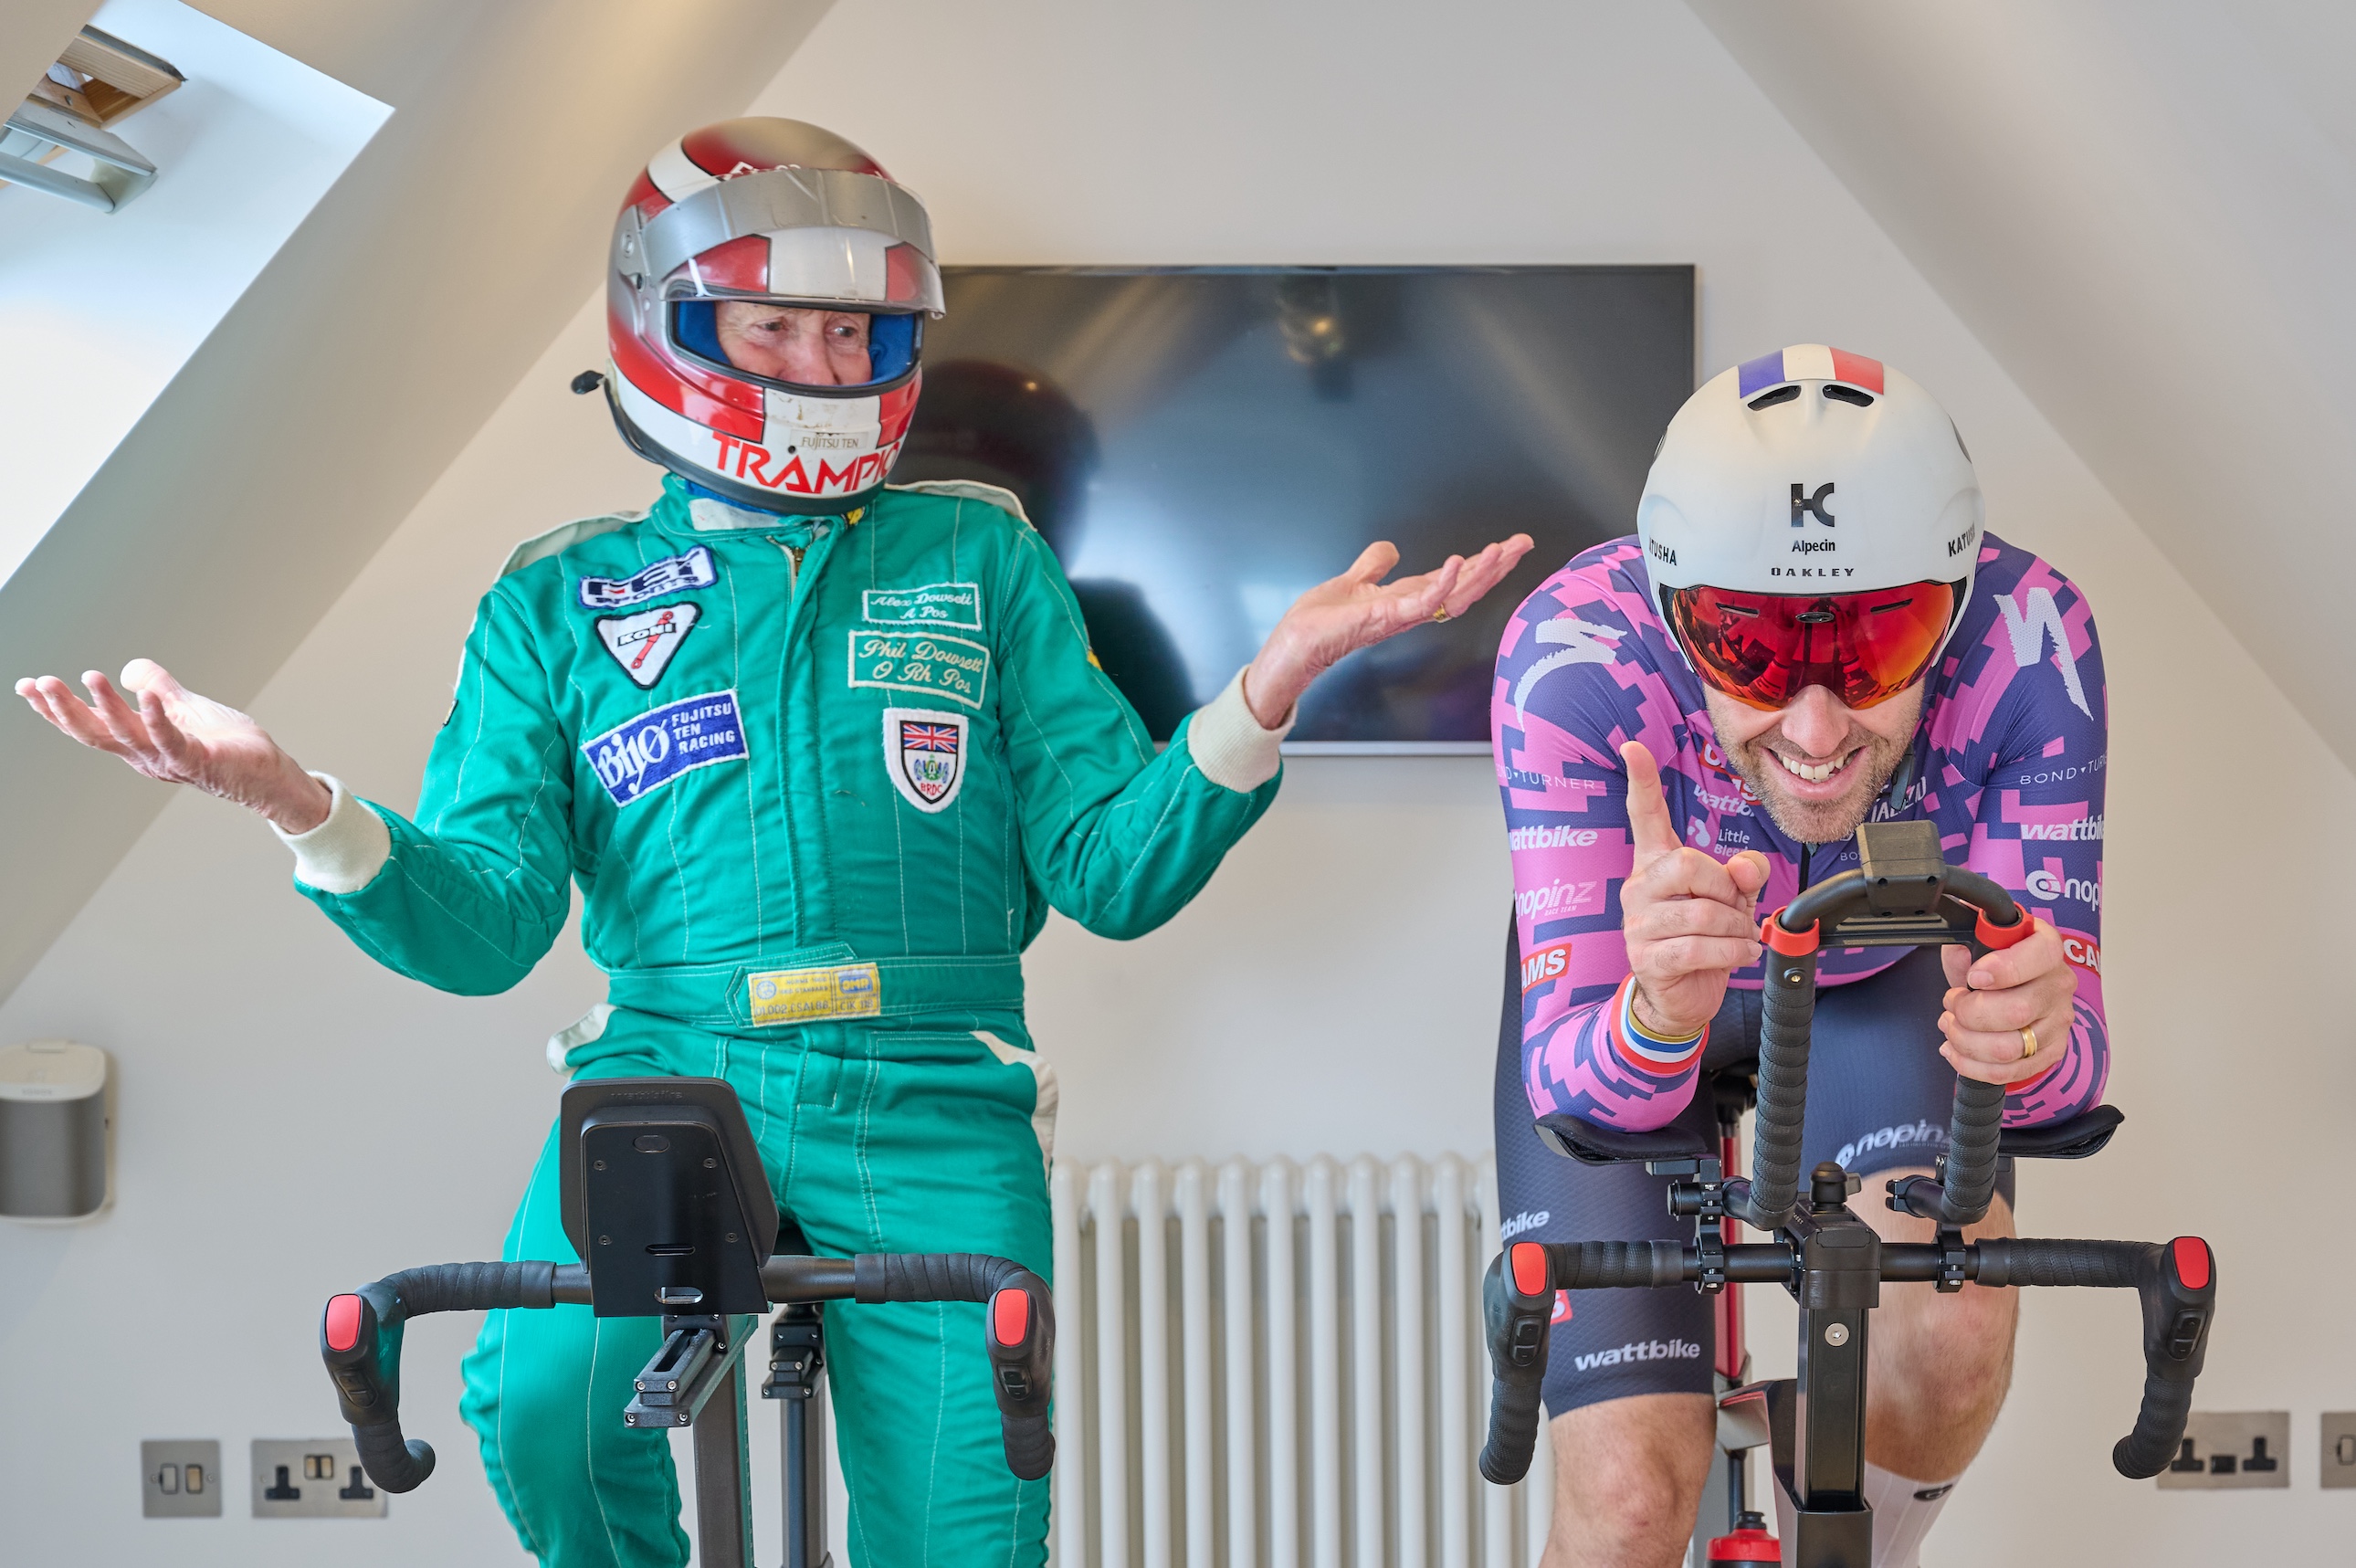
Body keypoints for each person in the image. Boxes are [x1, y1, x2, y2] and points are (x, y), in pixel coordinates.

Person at [17, 118, 1531, 1568]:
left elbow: (1110, 869)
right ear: (666, 325)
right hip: (666, 1078)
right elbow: (482, 926)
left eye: (856, 334)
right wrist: (295, 797)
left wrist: (1265, 688)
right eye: (774, 330)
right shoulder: (558, 601)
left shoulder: (980, 553)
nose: (823, 366)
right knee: (543, 1410)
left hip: (938, 1092)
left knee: (969, 1520)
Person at [1490, 344, 2105, 1568]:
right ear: (1673, 612)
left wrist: (2031, 1033)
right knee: (1625, 1498)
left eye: (1876, 650)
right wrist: (1657, 1007)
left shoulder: (2035, 639)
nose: (1817, 731)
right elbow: (1576, 1085)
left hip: (1881, 990)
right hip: (1641, 990)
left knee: (1953, 1340)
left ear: (1954, 594)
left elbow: (2069, 1071)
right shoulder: (1569, 650)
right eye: (1755, 656)